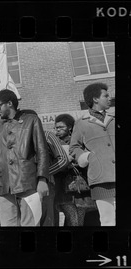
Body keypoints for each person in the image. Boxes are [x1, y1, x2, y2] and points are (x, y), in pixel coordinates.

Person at [0, 89, 50, 226]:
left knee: (31, 225)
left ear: (9, 103)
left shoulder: (31, 120)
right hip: (4, 187)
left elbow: (42, 151)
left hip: (28, 182)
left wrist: (42, 179)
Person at [69, 83, 115, 226]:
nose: (110, 98)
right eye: (105, 95)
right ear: (95, 99)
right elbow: (74, 148)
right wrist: (87, 157)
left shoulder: (114, 119)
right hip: (101, 179)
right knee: (108, 220)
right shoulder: (81, 123)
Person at [54, 113, 97, 226]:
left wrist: (77, 161)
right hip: (63, 188)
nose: (58, 130)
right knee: (73, 220)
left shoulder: (79, 141)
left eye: (61, 127)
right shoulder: (54, 143)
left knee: (79, 220)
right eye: (56, 127)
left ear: (70, 127)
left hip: (80, 188)